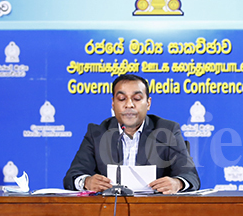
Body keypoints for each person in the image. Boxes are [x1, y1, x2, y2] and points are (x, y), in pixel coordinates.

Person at [63, 74, 200, 194]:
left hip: (156, 212)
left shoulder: (168, 131)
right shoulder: (97, 133)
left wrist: (177, 183)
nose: (129, 105)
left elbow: (190, 176)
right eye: (122, 99)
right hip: (109, 214)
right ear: (113, 103)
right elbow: (72, 176)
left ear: (148, 103)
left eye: (137, 98)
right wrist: (86, 182)